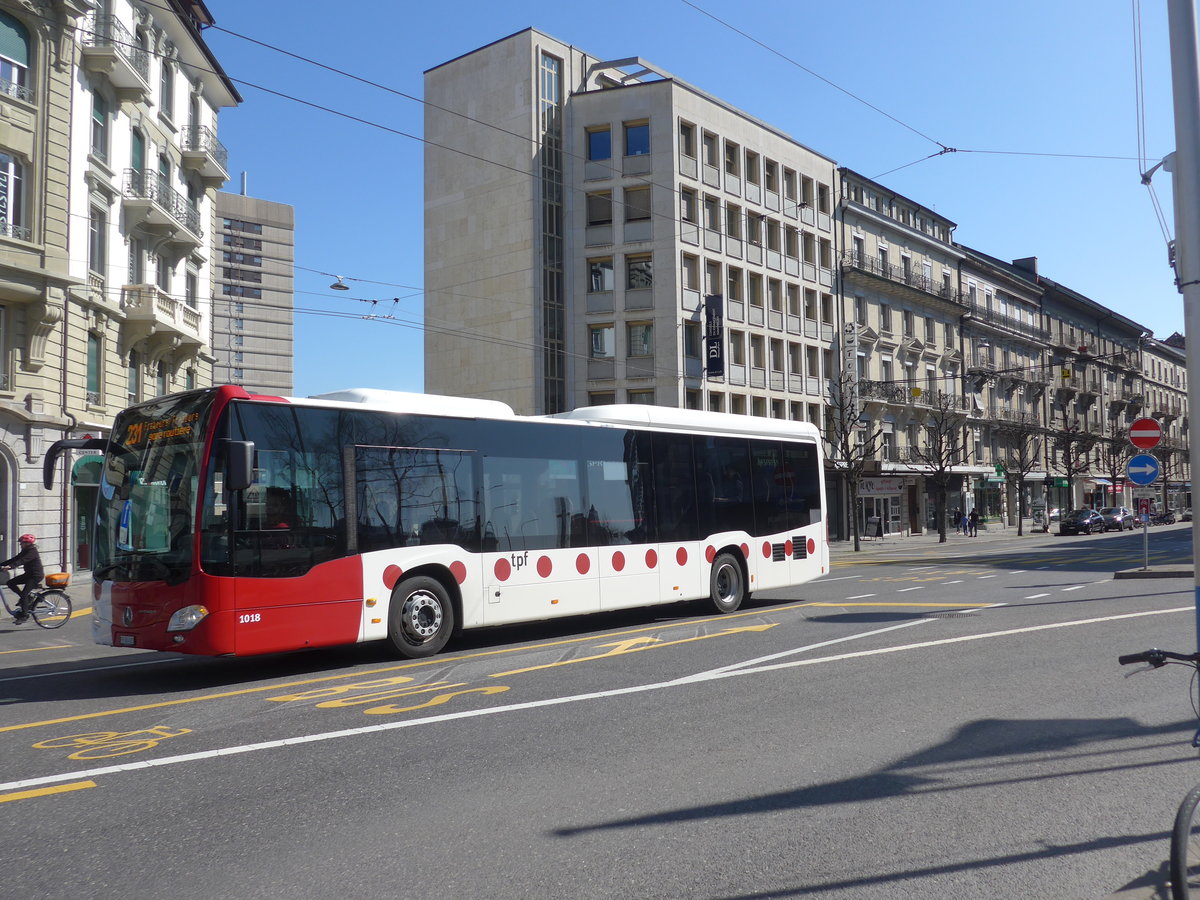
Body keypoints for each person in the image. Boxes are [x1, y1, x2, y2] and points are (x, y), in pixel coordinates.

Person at [2, 534, 44, 625]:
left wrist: (11, 566)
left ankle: (24, 615)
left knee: (24, 594)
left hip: (35, 576)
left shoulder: (32, 551)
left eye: (22, 543)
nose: (20, 544)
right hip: (28, 575)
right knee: (10, 583)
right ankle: (26, 599)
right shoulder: (25, 550)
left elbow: (22, 560)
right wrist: (2, 564)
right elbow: (15, 559)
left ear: (28, 543)